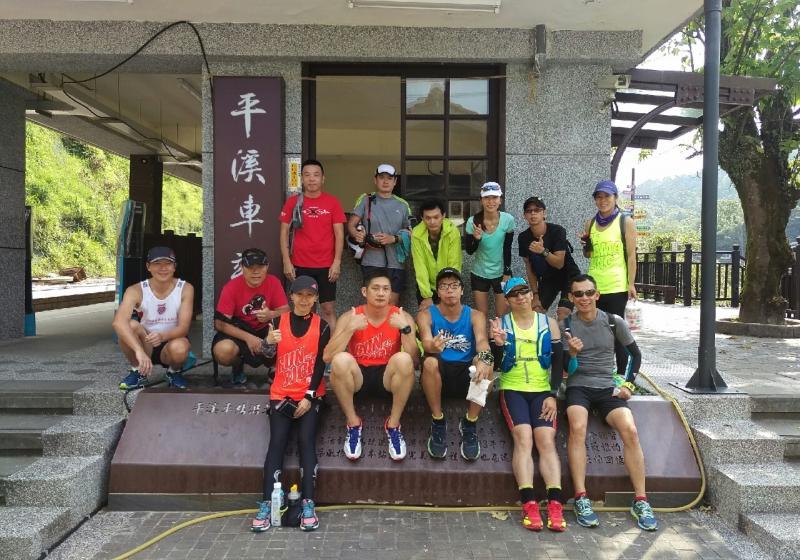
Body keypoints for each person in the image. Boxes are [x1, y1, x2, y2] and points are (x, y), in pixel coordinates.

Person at [561, 274, 657, 532]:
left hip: (607, 386)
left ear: (597, 295)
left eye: (588, 293)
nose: (584, 298)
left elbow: (635, 355)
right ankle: (581, 497)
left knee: (630, 430)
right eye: (578, 294)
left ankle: (641, 500)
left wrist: (628, 384)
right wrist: (572, 354)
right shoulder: (566, 325)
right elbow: (566, 370)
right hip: (578, 386)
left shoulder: (614, 322)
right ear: (571, 297)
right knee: (577, 427)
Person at [251, 276, 329, 533]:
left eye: (310, 295)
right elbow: (266, 358)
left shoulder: (322, 326)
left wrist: (309, 396)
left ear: (315, 298)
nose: (305, 300)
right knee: (277, 442)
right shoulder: (277, 322)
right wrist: (268, 344)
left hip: (309, 395)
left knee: (306, 440)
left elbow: (321, 364)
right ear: (291, 296)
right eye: (300, 294)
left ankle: (308, 503)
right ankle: (267, 503)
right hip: (281, 393)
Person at [489, 277, 566, 532]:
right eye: (514, 294)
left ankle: (555, 503)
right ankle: (529, 503)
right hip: (513, 388)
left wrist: (553, 394)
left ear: (531, 295)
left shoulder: (549, 323)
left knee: (546, 439)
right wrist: (498, 345)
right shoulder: (502, 324)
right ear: (508, 300)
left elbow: (558, 362)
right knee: (523, 438)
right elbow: (497, 363)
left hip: (542, 390)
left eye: (524, 292)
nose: (520, 297)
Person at [323, 268, 419, 461]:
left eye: (386, 289)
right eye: (376, 288)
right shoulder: (351, 316)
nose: (381, 293)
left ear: (391, 293)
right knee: (341, 360)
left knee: (403, 359)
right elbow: (327, 357)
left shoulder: (402, 316)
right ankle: (353, 423)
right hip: (358, 378)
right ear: (364, 292)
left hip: (387, 378)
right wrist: (349, 329)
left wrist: (405, 329)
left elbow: (415, 361)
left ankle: (393, 425)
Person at [417, 268, 493, 461]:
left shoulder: (475, 315)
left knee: (487, 362)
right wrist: (432, 346)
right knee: (429, 363)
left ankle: (470, 422)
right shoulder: (426, 315)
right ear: (438, 291)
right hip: (439, 375)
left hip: (466, 374)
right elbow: (426, 342)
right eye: (444, 286)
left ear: (462, 290)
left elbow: (482, 341)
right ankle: (438, 420)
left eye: (454, 285)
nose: (449, 290)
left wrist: (485, 358)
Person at [113, 246, 195, 390]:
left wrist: (162, 336)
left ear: (174, 267)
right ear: (148, 266)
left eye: (168, 263)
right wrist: (138, 350)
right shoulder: (135, 290)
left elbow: (183, 328)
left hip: (171, 340)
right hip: (146, 341)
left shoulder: (185, 288)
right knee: (130, 326)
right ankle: (138, 370)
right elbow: (118, 322)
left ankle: (173, 372)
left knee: (180, 346)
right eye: (157, 263)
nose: (163, 268)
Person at [279, 159, 346, 330]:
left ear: (323, 179)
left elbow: (339, 234)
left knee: (328, 309)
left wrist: (337, 262)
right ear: (301, 179)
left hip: (326, 265)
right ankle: (306, 345)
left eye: (316, 175)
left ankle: (331, 346)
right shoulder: (293, 202)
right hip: (300, 264)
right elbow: (284, 232)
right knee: (305, 308)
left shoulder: (333, 202)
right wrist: (286, 261)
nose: (311, 179)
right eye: (307, 175)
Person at [581, 180, 637, 374]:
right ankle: (601, 370)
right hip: (594, 287)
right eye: (599, 197)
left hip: (616, 285)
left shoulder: (625, 222)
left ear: (615, 198)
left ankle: (621, 374)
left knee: (617, 331)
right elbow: (588, 255)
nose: (603, 200)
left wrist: (631, 283)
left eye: (607, 196)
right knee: (596, 329)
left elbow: (631, 255)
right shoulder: (590, 223)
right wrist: (586, 244)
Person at [212, 248, 290, 385]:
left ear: (267, 266)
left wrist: (270, 314)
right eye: (250, 267)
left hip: (267, 330)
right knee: (223, 351)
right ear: (242, 267)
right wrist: (249, 338)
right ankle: (238, 365)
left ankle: (275, 367)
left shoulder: (273, 282)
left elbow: (286, 311)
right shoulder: (231, 287)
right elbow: (219, 323)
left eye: (260, 267)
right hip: (242, 331)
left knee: (290, 330)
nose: (255, 271)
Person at [347, 164, 412, 306]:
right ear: (375, 180)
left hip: (396, 261)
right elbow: (351, 225)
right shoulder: (366, 199)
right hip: (371, 260)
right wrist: (358, 235)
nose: (385, 181)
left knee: (392, 303)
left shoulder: (403, 205)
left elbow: (412, 233)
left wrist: (393, 238)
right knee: (373, 302)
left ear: (395, 182)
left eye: (390, 178)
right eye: (382, 177)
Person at [518, 196, 580, 321]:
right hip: (548, 280)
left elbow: (559, 263)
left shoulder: (557, 231)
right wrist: (535, 295)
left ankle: (562, 334)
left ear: (544, 213)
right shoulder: (523, 237)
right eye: (529, 211)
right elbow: (529, 268)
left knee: (563, 313)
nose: (533, 213)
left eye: (537, 210)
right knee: (535, 312)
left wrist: (543, 251)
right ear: (524, 215)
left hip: (569, 276)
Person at [465, 181, 515, 319]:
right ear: (481, 200)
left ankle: (498, 335)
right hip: (479, 273)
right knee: (482, 315)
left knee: (501, 315)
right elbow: (469, 250)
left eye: (494, 197)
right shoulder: (472, 221)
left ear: (500, 200)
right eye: (487, 197)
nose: (491, 201)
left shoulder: (508, 220)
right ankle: (483, 334)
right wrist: (477, 239)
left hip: (501, 273)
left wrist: (507, 272)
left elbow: (507, 247)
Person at [410, 199, 463, 312]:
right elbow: (420, 266)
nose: (432, 221)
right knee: (426, 318)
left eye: (436, 217)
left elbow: (454, 264)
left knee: (448, 317)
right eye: (428, 218)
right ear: (422, 218)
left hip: (449, 283)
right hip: (426, 285)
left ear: (443, 216)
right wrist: (427, 296)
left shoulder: (452, 231)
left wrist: (448, 289)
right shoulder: (416, 234)